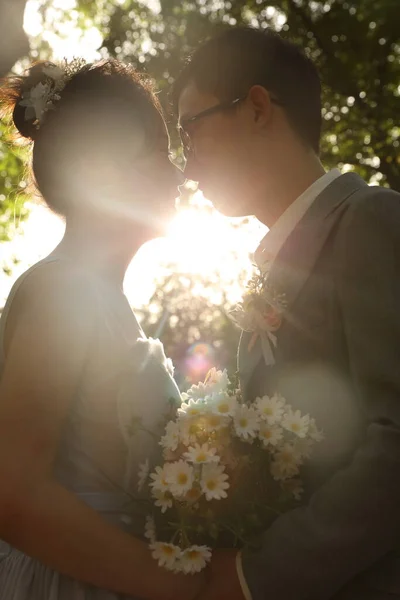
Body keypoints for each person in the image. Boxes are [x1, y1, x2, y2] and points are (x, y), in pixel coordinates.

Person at [173, 26, 400, 600]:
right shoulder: (276, 270)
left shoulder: (371, 221)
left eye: (190, 131)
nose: (188, 166)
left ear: (255, 108)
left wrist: (256, 575)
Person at [0, 59, 205, 600]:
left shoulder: (100, 297)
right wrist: (191, 586)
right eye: (160, 153)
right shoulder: (61, 292)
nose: (179, 173)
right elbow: (14, 494)